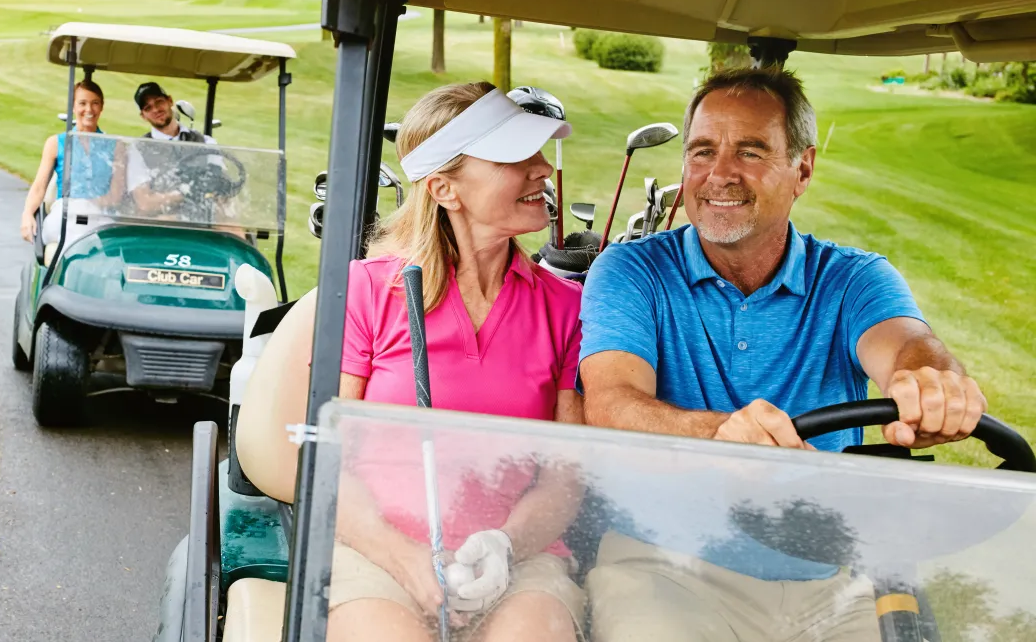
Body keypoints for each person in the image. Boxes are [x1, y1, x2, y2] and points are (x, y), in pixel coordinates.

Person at [577, 67, 987, 642]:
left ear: (803, 169)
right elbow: (612, 403)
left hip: (829, 580)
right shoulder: (632, 271)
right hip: (663, 565)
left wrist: (931, 382)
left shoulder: (852, 278)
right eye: (702, 151)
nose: (720, 174)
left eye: (750, 151)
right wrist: (719, 433)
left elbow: (909, 346)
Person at [328, 82, 586, 642]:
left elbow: (565, 478)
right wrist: (404, 559)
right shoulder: (368, 292)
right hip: (374, 550)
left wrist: (505, 547)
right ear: (446, 188)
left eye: (540, 155)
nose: (543, 170)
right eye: (518, 158)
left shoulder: (568, 308)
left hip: (520, 557)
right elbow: (329, 464)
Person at [18, 80, 123, 246]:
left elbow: (116, 195)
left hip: (99, 215)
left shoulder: (116, 146)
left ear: (101, 107)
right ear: (73, 107)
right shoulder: (56, 143)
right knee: (76, 235)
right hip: (65, 214)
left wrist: (88, 206)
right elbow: (39, 186)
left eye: (95, 103)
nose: (89, 110)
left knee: (90, 237)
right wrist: (27, 214)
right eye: (82, 103)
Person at [127, 81, 215, 216]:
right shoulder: (139, 149)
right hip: (163, 222)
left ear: (170, 101)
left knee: (231, 225)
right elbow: (145, 203)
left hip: (202, 218)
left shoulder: (205, 142)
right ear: (143, 116)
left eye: (159, 102)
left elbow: (220, 186)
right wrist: (186, 193)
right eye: (148, 108)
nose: (156, 110)